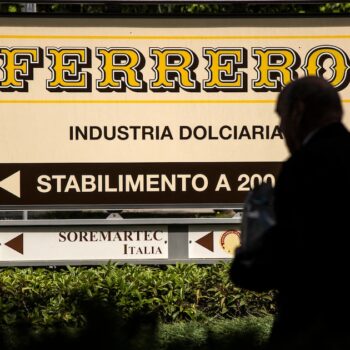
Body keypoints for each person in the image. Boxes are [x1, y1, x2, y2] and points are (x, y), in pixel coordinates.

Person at [230, 76, 350, 349]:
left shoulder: (305, 165)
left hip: (314, 328)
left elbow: (291, 254)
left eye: (281, 116)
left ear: (298, 111)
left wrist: (246, 261)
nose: (282, 127)